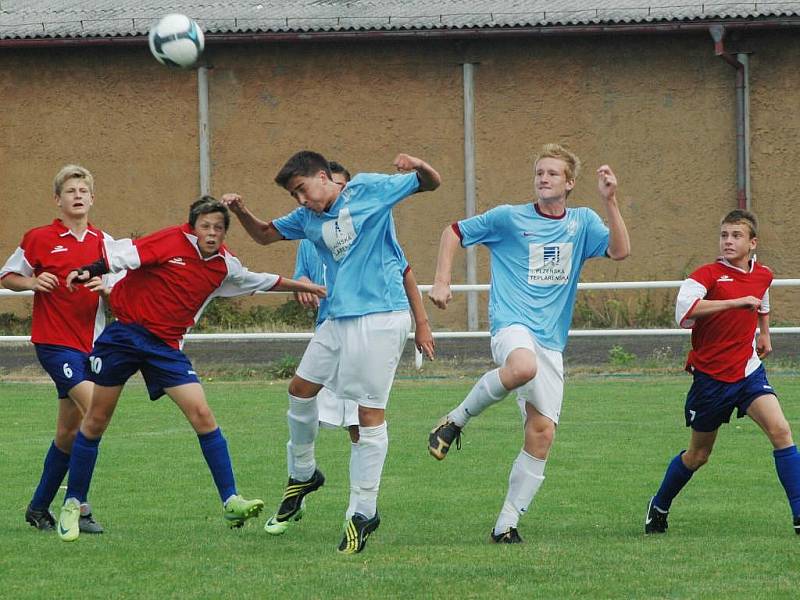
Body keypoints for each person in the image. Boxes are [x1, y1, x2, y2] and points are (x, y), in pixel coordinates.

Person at [55, 196, 326, 542]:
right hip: (124, 335)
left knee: (203, 415)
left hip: (166, 348)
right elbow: (121, 256)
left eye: (218, 228)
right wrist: (88, 270)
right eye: (205, 226)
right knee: (96, 419)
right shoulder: (169, 240)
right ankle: (73, 502)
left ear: (225, 233)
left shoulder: (224, 266)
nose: (211, 233)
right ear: (192, 227)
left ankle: (230, 499)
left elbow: (262, 280)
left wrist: (304, 285)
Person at [222, 150, 441, 553]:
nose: (301, 200)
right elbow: (266, 235)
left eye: (302, 189)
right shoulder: (308, 219)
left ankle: (363, 512)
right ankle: (304, 473)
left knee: (367, 416)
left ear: (324, 177)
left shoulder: (367, 190)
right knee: (300, 389)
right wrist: (242, 212)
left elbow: (431, 183)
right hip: (337, 318)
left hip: (379, 316)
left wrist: (419, 166)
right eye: (294, 195)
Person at [427, 143, 630, 543]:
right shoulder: (508, 218)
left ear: (570, 183)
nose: (543, 178)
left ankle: (505, 526)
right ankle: (455, 421)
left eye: (553, 173)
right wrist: (442, 280)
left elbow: (621, 251)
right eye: (540, 172)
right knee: (521, 367)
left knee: (542, 433)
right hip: (511, 325)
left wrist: (611, 201)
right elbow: (453, 232)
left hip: (551, 341)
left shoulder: (583, 223)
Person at [645, 209, 800, 535]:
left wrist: (764, 331)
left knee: (782, 432)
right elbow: (683, 312)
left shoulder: (763, 274)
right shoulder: (707, 275)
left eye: (736, 236)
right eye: (724, 235)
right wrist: (733, 302)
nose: (728, 241)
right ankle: (659, 504)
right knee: (698, 454)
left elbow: (762, 295)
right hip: (711, 379)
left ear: (752, 243)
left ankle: (799, 516)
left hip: (748, 371)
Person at [0, 164, 113, 534]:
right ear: (58, 199)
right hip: (54, 343)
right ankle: (78, 506)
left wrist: (109, 288)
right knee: (96, 410)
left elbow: (125, 287)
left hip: (92, 347)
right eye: (70, 191)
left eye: (83, 190)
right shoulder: (39, 237)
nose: (77, 196)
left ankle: (37, 508)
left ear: (92, 198)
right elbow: (7, 276)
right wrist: (32, 281)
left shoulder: (104, 243)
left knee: (68, 433)